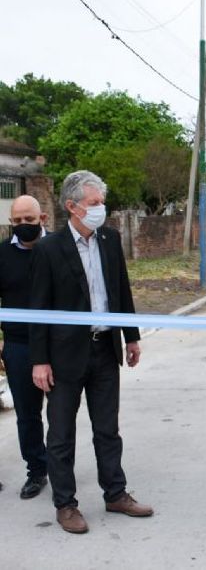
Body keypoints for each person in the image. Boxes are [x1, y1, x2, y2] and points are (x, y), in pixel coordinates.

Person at [29, 171, 151, 534]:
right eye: (94, 204)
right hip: (64, 357)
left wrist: (131, 337)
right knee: (62, 434)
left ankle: (115, 493)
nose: (102, 210)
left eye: (101, 203)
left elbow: (121, 291)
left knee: (108, 430)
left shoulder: (110, 240)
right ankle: (65, 504)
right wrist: (39, 359)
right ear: (72, 206)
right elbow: (37, 309)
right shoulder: (49, 249)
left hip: (104, 351)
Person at [0, 195, 49, 499]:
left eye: (28, 220)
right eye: (16, 221)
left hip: (58, 346)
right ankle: (37, 470)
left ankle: (60, 466)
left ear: (42, 218)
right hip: (19, 346)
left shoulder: (58, 248)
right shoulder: (2, 253)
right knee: (27, 415)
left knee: (60, 412)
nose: (22, 226)